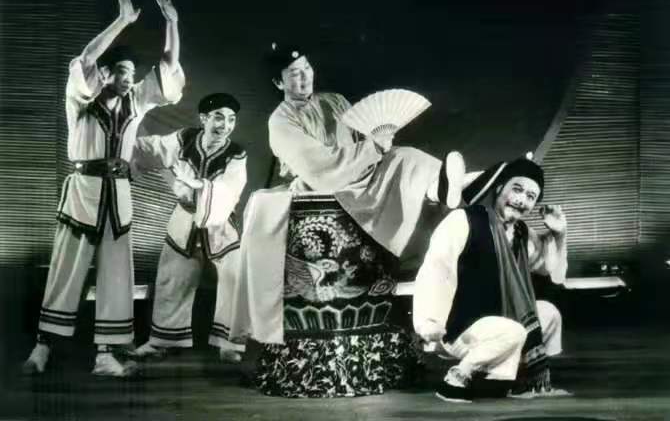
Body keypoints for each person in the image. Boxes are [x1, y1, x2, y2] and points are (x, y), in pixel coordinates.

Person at [227, 44, 476, 346]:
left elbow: (362, 134)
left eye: (307, 68)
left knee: (406, 155)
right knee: (392, 167)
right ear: (279, 83)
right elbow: (318, 166)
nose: (304, 77)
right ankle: (443, 190)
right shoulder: (280, 120)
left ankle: (445, 187)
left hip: (360, 169)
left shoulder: (334, 100)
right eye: (294, 73)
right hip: (325, 181)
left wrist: (378, 142)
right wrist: (371, 148)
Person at [22, 0, 184, 377]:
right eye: (121, 72)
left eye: (131, 74)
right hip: (84, 190)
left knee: (117, 273)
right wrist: (122, 22)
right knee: (66, 268)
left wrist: (172, 24)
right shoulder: (80, 99)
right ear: (104, 74)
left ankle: (106, 355)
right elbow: (85, 59)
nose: (128, 79)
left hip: (118, 193)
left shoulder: (136, 102)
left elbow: (168, 67)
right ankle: (43, 347)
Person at [413, 157, 569, 402]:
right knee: (515, 331)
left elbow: (552, 272)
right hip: (460, 327)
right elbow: (437, 270)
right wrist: (429, 323)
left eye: (530, 196)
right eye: (517, 189)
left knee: (548, 314)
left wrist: (559, 235)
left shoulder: (522, 234)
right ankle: (457, 378)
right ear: (499, 187)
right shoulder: (465, 220)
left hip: (500, 323)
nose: (521, 200)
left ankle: (507, 378)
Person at [130, 93, 247, 363]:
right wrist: (126, 137)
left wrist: (199, 185)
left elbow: (231, 189)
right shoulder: (184, 138)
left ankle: (230, 343)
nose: (225, 125)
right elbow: (154, 148)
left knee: (234, 279)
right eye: (218, 117)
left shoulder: (236, 153)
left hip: (220, 223)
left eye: (231, 119)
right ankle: (163, 340)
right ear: (203, 118)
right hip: (184, 219)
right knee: (172, 278)